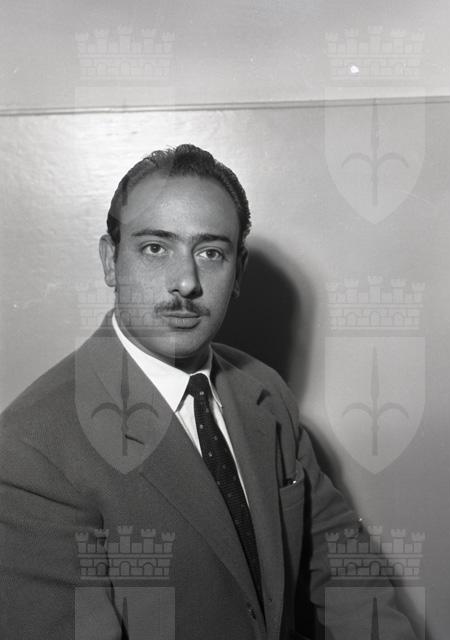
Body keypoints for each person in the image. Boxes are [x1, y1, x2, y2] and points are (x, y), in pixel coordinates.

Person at [0, 144, 417, 640]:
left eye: (210, 253)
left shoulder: (263, 391)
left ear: (238, 271)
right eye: (155, 248)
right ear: (111, 261)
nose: (186, 282)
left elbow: (341, 563)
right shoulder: (30, 450)